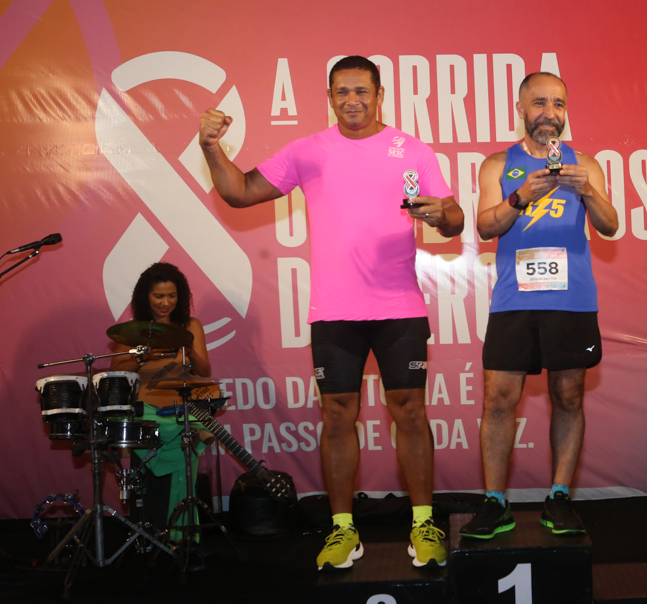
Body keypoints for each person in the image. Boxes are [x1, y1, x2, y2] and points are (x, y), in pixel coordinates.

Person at [199, 56, 464, 569]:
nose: (352, 100)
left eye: (362, 91)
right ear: (329, 96)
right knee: (338, 415)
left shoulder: (411, 149)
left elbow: (452, 217)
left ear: (379, 94)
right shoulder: (307, 151)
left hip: (398, 307)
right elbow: (238, 192)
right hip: (335, 311)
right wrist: (211, 147)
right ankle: (343, 529)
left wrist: (442, 215)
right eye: (342, 92)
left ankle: (423, 524)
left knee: (410, 411)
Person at [460, 72, 618, 539]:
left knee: (568, 396)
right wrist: (521, 196)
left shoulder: (585, 164)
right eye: (540, 103)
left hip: (571, 300)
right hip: (514, 300)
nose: (550, 113)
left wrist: (587, 191)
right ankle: (494, 502)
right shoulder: (498, 164)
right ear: (521, 109)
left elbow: (610, 225)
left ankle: (560, 496)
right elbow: (485, 227)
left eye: (558, 104)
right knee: (498, 399)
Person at [110, 262, 212, 533]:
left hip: (180, 411)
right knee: (150, 484)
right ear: (145, 297)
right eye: (158, 296)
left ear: (181, 296)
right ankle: (151, 535)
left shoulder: (190, 326)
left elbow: (205, 371)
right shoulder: (132, 330)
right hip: (145, 413)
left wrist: (189, 350)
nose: (165, 303)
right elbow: (116, 370)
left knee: (183, 471)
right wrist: (142, 356)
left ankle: (181, 537)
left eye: (171, 296)